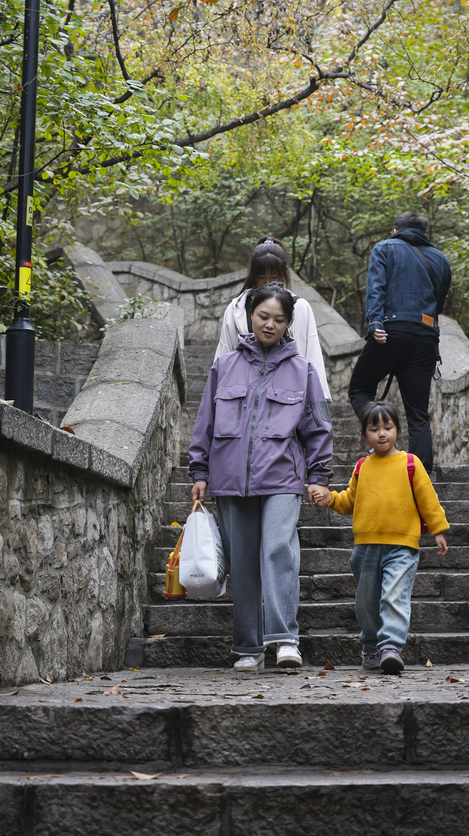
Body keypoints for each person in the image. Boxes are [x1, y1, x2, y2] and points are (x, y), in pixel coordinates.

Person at [189, 283, 333, 672]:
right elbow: (205, 422)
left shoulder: (302, 370)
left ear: (289, 324)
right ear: (250, 315)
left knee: (276, 549)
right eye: (263, 316)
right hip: (230, 479)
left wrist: (319, 474)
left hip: (283, 477)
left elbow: (319, 427)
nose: (270, 324)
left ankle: (285, 639)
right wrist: (199, 470)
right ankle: (248, 647)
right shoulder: (224, 366)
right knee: (242, 562)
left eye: (280, 319)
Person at [309, 400, 449, 675]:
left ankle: (390, 648)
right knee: (366, 604)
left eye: (388, 427)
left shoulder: (410, 463)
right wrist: (328, 499)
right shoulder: (362, 466)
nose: (382, 433)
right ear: (365, 435)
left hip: (403, 546)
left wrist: (438, 529)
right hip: (366, 547)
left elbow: (428, 499)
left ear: (397, 430)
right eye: (375, 429)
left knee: (394, 596)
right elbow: (349, 500)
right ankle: (371, 646)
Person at [348, 211, 451, 472]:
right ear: (424, 233)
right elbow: (437, 304)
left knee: (359, 389)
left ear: (396, 230)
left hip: (391, 333)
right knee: (418, 415)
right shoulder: (441, 259)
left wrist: (375, 324)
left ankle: (379, 433)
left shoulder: (384, 248)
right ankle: (421, 479)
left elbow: (376, 288)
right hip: (426, 337)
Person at [216, 236, 331, 400]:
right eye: (261, 276)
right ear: (253, 275)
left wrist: (318, 401)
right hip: (245, 398)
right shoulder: (236, 309)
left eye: (274, 276)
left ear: (284, 274)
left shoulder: (300, 308)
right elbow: (225, 356)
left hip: (287, 397)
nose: (267, 283)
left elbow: (311, 356)